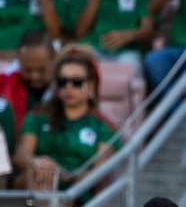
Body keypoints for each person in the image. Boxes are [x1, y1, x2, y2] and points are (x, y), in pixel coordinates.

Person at [13, 47, 117, 194]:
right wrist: (37, 163)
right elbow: (21, 155)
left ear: (92, 85)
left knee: (47, 183)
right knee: (35, 176)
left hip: (76, 196)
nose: (68, 87)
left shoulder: (104, 127)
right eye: (62, 82)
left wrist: (64, 175)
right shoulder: (37, 116)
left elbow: (100, 175)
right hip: (35, 186)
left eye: (77, 82)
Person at [68, 0, 156, 77]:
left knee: (131, 67)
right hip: (92, 47)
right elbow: (79, 32)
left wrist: (129, 35)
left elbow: (148, 29)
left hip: (126, 52)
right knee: (72, 62)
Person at [0, 30, 54, 140]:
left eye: (41, 70)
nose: (35, 76)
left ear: (54, 60)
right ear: (19, 62)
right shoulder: (5, 84)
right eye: (28, 70)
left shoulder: (69, 84)